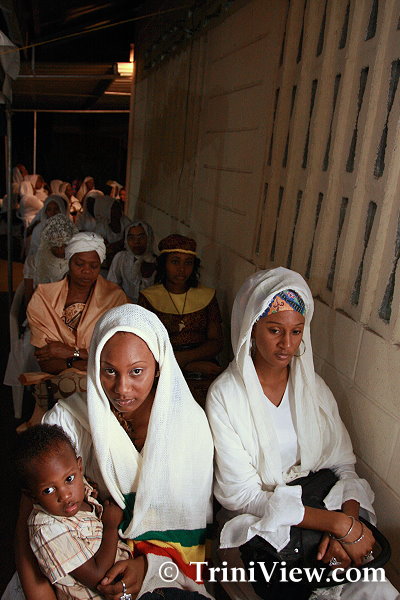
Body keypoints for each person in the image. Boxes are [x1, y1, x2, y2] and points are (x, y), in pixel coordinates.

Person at [206, 267, 400, 600]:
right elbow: (242, 495)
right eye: (274, 330)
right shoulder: (226, 396)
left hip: (322, 507)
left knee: (376, 589)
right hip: (263, 518)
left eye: (296, 331)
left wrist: (345, 528)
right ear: (251, 328)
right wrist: (335, 525)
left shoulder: (314, 388)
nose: (287, 344)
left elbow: (343, 466)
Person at [8, 304, 214, 600]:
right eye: (109, 371)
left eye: (137, 371)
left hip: (164, 571)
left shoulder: (188, 427)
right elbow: (29, 525)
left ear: (159, 366)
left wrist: (148, 567)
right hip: (74, 578)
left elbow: (189, 526)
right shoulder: (69, 421)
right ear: (95, 365)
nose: (122, 389)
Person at [19, 232, 128, 430]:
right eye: (80, 264)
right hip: (62, 375)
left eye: (94, 266)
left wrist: (69, 352)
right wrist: (86, 360)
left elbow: (115, 355)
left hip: (103, 377)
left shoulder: (114, 298)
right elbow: (46, 360)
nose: (86, 271)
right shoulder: (45, 298)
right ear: (69, 261)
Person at [14, 424, 132, 599]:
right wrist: (111, 526)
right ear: (33, 497)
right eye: (48, 490)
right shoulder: (48, 529)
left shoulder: (78, 491)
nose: (65, 495)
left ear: (79, 467)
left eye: (69, 479)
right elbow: (100, 577)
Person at [139, 234, 223, 402]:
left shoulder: (207, 296)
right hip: (163, 364)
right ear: (164, 264)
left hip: (201, 361)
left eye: (188, 263)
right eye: (175, 262)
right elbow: (143, 344)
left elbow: (216, 342)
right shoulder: (148, 297)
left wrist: (186, 358)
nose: (182, 269)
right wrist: (174, 361)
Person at [107, 221, 157, 302]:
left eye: (141, 237)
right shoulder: (121, 258)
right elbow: (112, 285)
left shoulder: (156, 262)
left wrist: (146, 278)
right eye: (131, 238)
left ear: (149, 238)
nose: (136, 242)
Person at [94, 197, 131, 271]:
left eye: (119, 207)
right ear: (106, 210)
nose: (119, 210)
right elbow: (105, 249)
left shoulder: (126, 222)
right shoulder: (101, 226)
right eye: (114, 208)